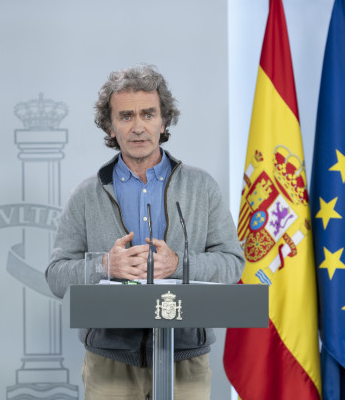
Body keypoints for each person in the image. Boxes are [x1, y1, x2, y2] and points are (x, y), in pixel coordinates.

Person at [45, 64, 244, 399]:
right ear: (110, 125)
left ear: (163, 121)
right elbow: (55, 276)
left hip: (186, 356)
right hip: (109, 361)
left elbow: (232, 263)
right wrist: (104, 266)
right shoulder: (85, 194)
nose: (138, 127)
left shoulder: (201, 187)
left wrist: (178, 263)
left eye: (148, 114)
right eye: (125, 116)